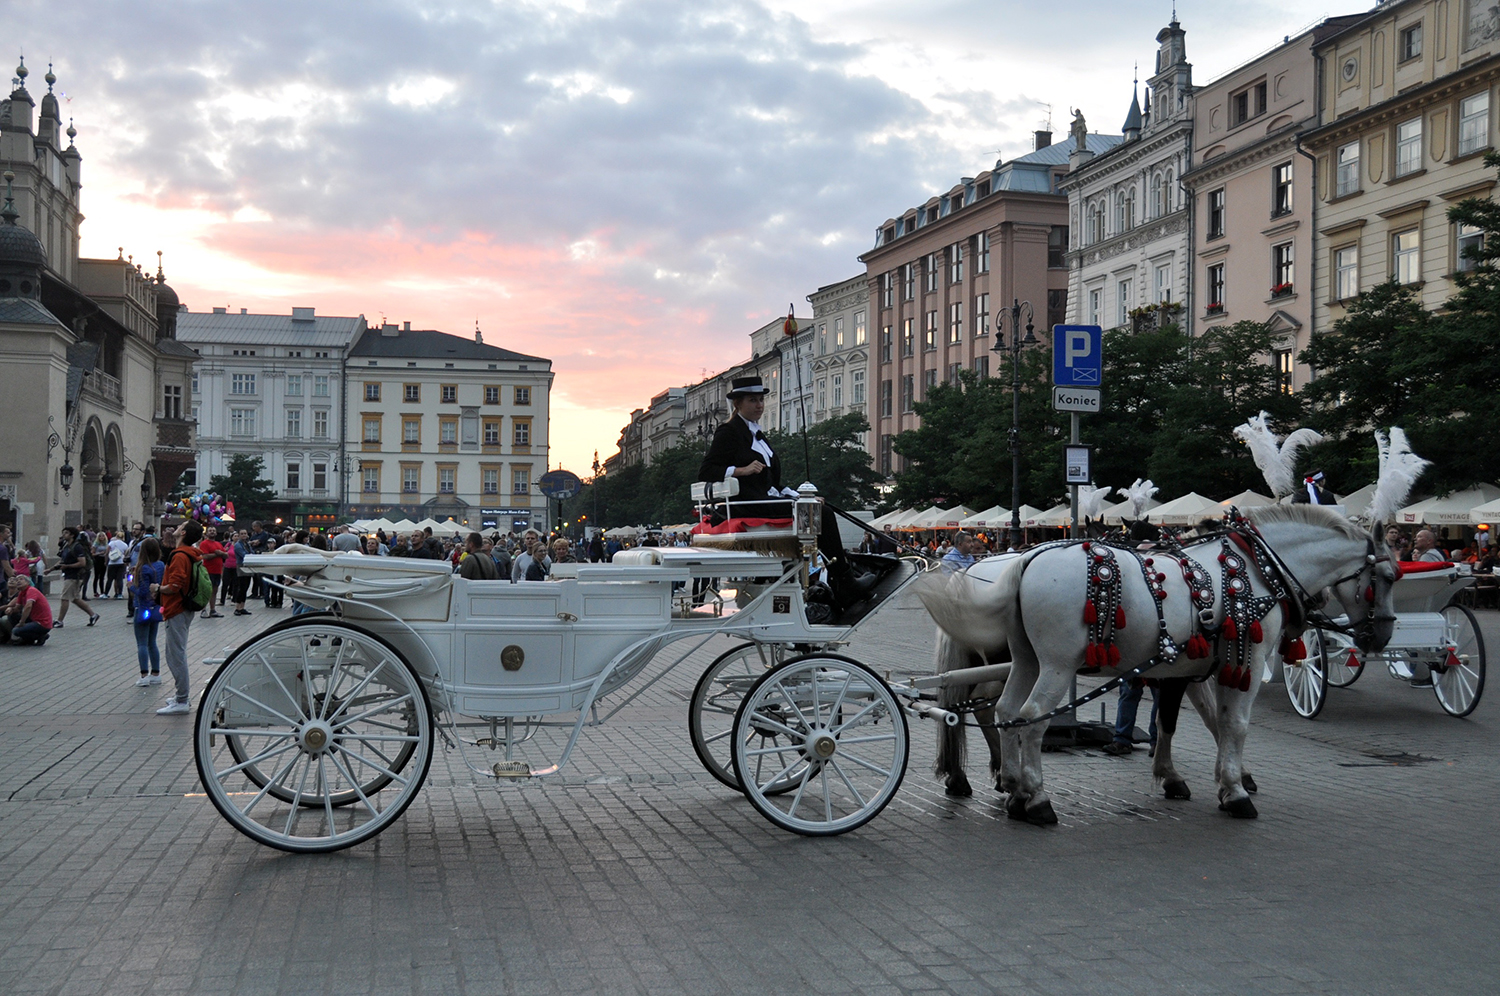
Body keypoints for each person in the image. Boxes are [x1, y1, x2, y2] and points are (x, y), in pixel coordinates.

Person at [697, 375, 877, 609]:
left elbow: (775, 483)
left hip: (765, 500)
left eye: (761, 399)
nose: (759, 405)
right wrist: (741, 470)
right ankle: (844, 581)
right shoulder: (729, 432)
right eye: (753, 400)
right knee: (821, 515)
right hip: (749, 505)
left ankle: (840, 578)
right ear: (737, 404)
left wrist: (802, 497)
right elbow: (706, 470)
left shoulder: (758, 435)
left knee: (821, 509)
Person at [153, 520, 204, 715]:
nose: (176, 527)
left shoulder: (180, 555)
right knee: (174, 652)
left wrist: (157, 588)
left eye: (180, 525)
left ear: (182, 532)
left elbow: (175, 585)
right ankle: (179, 696)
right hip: (181, 608)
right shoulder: (189, 553)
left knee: (176, 655)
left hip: (177, 608)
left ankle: (182, 699)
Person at [131, 536, 165, 686]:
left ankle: (144, 675)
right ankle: (156, 673)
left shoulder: (143, 568)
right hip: (156, 607)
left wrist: (131, 585)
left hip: (142, 607)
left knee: (142, 643)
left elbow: (143, 591)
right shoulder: (160, 565)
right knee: (153, 642)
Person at [54, 527, 100, 628]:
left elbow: (82, 563)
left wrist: (67, 566)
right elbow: (63, 560)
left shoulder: (77, 547)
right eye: (63, 532)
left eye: (66, 533)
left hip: (75, 576)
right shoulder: (66, 546)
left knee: (65, 598)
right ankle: (93, 615)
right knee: (75, 599)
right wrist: (50, 569)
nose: (64, 535)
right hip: (69, 575)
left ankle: (59, 621)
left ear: (72, 535)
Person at [5, 575, 52, 645]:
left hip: (42, 622)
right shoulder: (21, 593)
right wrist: (11, 609)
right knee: (12, 615)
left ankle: (40, 636)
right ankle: (27, 639)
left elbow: (28, 606)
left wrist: (22, 622)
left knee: (16, 631)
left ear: (27, 582)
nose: (18, 581)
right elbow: (17, 608)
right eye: (17, 580)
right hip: (33, 619)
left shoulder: (31, 590)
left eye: (21, 579)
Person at [197, 526, 226, 618]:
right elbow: (204, 556)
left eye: (214, 531)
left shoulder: (219, 544)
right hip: (208, 571)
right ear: (207, 533)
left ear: (216, 533)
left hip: (218, 571)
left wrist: (221, 553)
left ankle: (212, 610)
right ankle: (203, 610)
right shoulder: (204, 543)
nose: (212, 532)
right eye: (210, 531)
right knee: (206, 590)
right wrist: (217, 554)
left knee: (214, 591)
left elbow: (226, 555)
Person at [91, 529, 110, 598]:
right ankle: (95, 591)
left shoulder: (106, 544)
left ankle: (102, 591)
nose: (101, 537)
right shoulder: (96, 544)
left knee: (102, 577)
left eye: (103, 536)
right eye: (100, 536)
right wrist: (99, 553)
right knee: (96, 576)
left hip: (104, 559)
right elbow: (92, 553)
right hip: (97, 559)